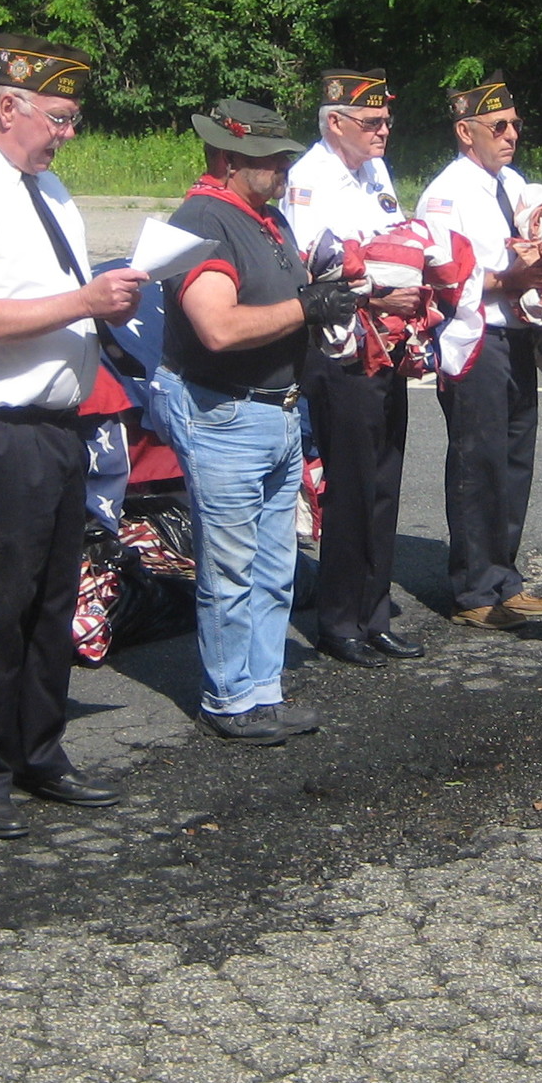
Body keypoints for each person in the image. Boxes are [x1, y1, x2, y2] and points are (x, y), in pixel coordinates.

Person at [0, 31, 149, 839]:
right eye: (61, 118)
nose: (69, 134)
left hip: (52, 422)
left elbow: (54, 295)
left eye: (73, 120)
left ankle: (39, 750)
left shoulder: (52, 191)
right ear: (10, 106)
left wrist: (102, 302)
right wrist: (85, 303)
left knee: (50, 599)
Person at [150, 100, 366, 744]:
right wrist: (308, 305)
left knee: (276, 562)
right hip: (226, 412)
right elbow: (217, 328)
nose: (281, 169)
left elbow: (285, 297)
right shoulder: (201, 221)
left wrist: (322, 291)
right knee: (233, 566)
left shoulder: (263, 217)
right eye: (268, 160)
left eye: (282, 158)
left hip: (274, 408)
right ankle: (229, 696)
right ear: (226, 159)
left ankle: (262, 689)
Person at [283, 68, 428, 668]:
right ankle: (339, 619)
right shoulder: (310, 178)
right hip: (339, 345)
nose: (383, 131)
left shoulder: (374, 170)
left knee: (384, 480)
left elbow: (395, 238)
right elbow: (318, 263)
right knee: (348, 485)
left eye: (387, 121)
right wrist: (381, 289)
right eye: (371, 122)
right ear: (335, 122)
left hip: (385, 342)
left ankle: (374, 610)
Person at [415, 72, 542, 629]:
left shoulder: (510, 183)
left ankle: (504, 576)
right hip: (473, 339)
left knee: (513, 459)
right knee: (478, 461)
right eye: (497, 125)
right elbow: (443, 278)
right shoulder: (445, 194)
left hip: (518, 333)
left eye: (515, 125)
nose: (510, 135)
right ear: (466, 131)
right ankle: (474, 588)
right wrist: (514, 277)